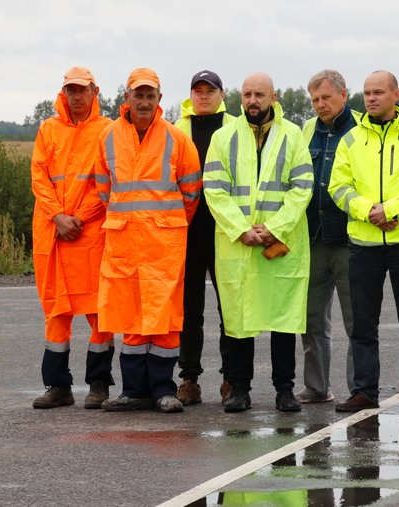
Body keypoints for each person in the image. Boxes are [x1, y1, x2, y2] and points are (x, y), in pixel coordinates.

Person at [329, 70, 399, 413]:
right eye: (367, 93)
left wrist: (391, 209)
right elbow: (338, 187)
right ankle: (364, 391)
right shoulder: (350, 139)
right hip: (364, 244)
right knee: (363, 323)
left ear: (396, 94)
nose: (372, 98)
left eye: (378, 92)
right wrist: (368, 212)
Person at [204, 72, 313, 413]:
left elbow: (302, 187)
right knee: (238, 319)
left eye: (260, 95)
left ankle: (284, 390)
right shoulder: (224, 137)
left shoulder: (292, 136)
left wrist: (275, 228)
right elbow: (215, 189)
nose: (253, 101)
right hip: (238, 245)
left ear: (273, 97)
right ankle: (239, 389)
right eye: (248, 94)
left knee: (283, 319)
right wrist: (241, 229)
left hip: (279, 246)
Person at [95, 68, 201, 413]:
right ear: (126, 98)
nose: (143, 101)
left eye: (149, 95)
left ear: (159, 99)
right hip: (124, 241)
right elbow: (102, 187)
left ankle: (163, 391)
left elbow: (191, 191)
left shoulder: (176, 138)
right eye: (137, 95)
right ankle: (133, 391)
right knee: (131, 319)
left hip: (164, 244)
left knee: (165, 321)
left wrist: (167, 224)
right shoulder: (109, 137)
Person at [31, 67, 115, 409]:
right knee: (56, 311)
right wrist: (58, 216)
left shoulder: (108, 130)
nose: (76, 96)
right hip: (54, 233)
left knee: (99, 311)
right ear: (62, 93)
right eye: (70, 90)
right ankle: (57, 387)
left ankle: (98, 385)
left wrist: (79, 218)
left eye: (82, 90)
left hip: (89, 232)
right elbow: (39, 177)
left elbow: (108, 182)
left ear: (94, 91)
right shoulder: (48, 129)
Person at [173, 70, 235, 405]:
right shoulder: (177, 129)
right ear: (190, 96)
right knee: (188, 309)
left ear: (222, 94)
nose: (203, 96)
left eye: (209, 90)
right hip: (188, 231)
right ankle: (189, 379)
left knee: (231, 309)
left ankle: (230, 378)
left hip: (227, 231)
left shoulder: (236, 128)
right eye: (197, 91)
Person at [297, 70, 359, 403]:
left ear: (343, 95)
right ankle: (317, 386)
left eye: (326, 98)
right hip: (314, 237)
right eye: (315, 100)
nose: (320, 105)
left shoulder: (362, 129)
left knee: (356, 320)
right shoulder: (307, 130)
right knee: (311, 318)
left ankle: (359, 388)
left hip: (351, 239)